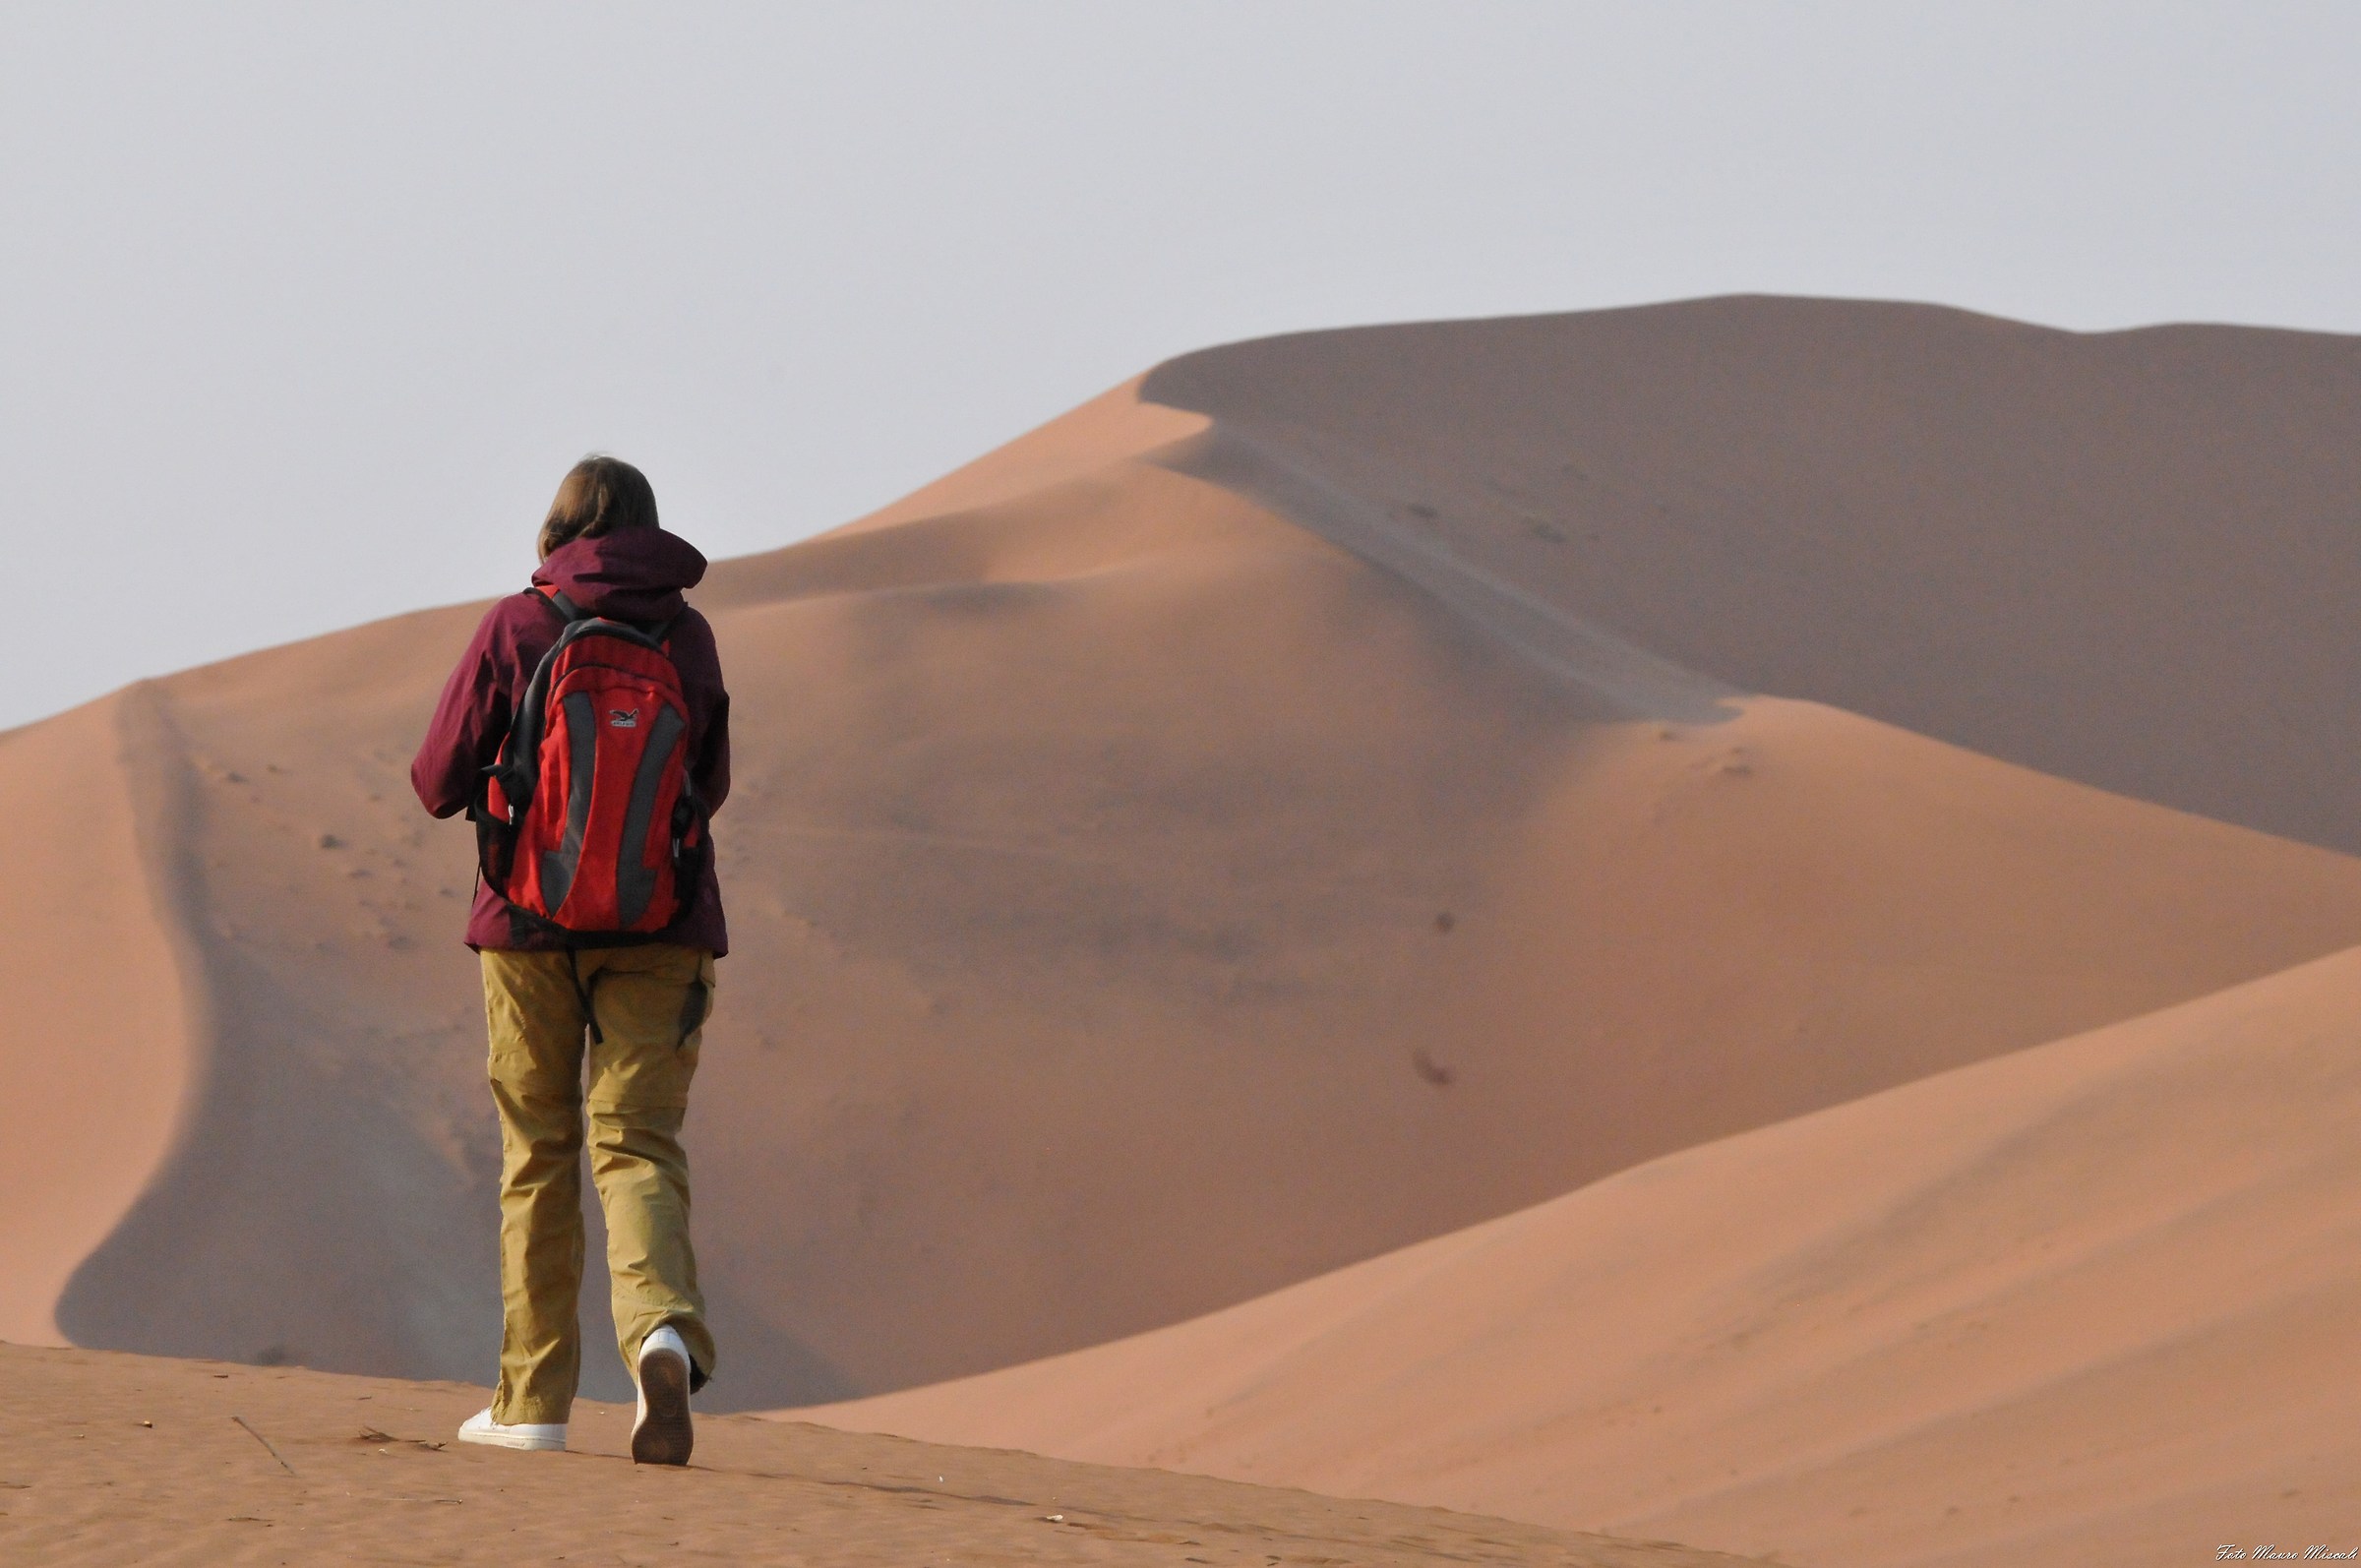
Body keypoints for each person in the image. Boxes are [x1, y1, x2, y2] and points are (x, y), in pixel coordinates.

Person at [410, 455, 730, 1465]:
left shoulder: (519, 623)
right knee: (636, 1143)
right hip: (663, 926)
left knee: (538, 1152)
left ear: (558, 529)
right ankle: (662, 1335)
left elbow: (435, 779)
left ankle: (532, 1402)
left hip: (527, 927)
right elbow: (708, 783)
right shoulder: (687, 632)